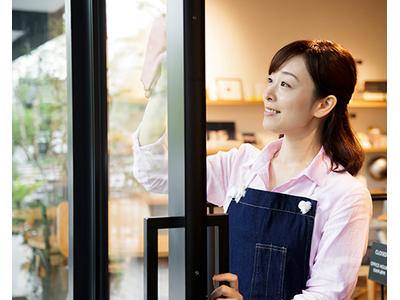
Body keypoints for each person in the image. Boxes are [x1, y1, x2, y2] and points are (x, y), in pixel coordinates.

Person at [133, 36, 372, 299]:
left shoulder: (345, 194)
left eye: (285, 84)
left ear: (323, 104)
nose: (268, 93)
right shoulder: (240, 164)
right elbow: (156, 174)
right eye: (270, 80)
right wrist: (161, 95)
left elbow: (327, 294)